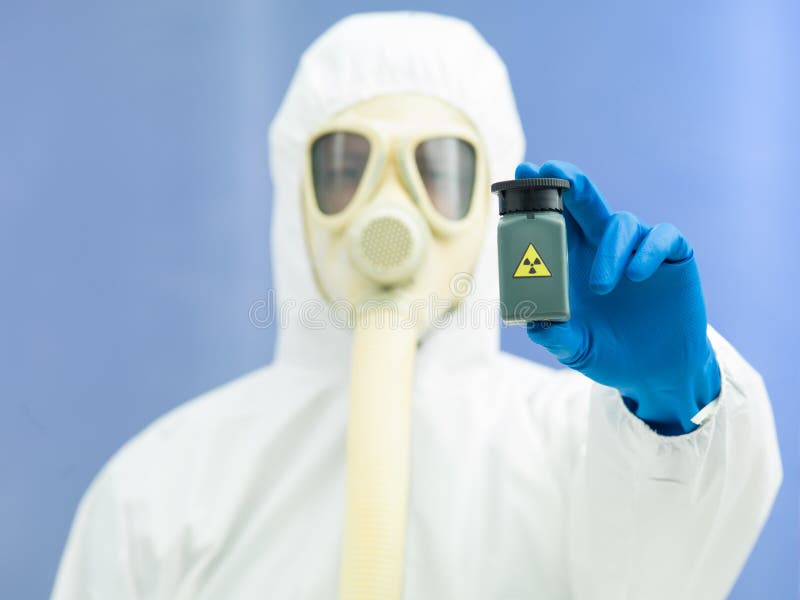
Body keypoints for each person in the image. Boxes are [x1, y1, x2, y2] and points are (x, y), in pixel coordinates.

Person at [52, 12, 781, 600]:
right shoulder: (165, 489)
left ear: (495, 195)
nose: (386, 210)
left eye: (437, 169)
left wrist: (668, 412)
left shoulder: (577, 448)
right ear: (296, 201)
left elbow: (664, 576)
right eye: (345, 168)